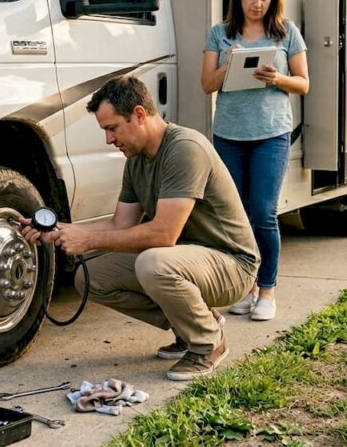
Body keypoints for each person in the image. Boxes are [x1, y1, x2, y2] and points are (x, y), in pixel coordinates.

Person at [22, 76, 259, 381]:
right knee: (91, 277)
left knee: (153, 262)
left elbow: (163, 234)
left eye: (112, 128)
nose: (109, 139)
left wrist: (89, 240)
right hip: (186, 260)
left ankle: (208, 343)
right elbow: (120, 224)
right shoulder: (136, 160)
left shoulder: (184, 148)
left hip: (232, 264)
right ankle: (191, 324)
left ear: (139, 114)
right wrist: (58, 230)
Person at [200, 0, 309, 321]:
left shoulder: (286, 33)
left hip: (271, 134)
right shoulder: (220, 33)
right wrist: (228, 64)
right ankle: (244, 289)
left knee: (263, 212)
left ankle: (268, 291)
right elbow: (207, 85)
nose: (257, 4)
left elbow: (303, 83)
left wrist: (277, 78)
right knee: (236, 216)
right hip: (229, 134)